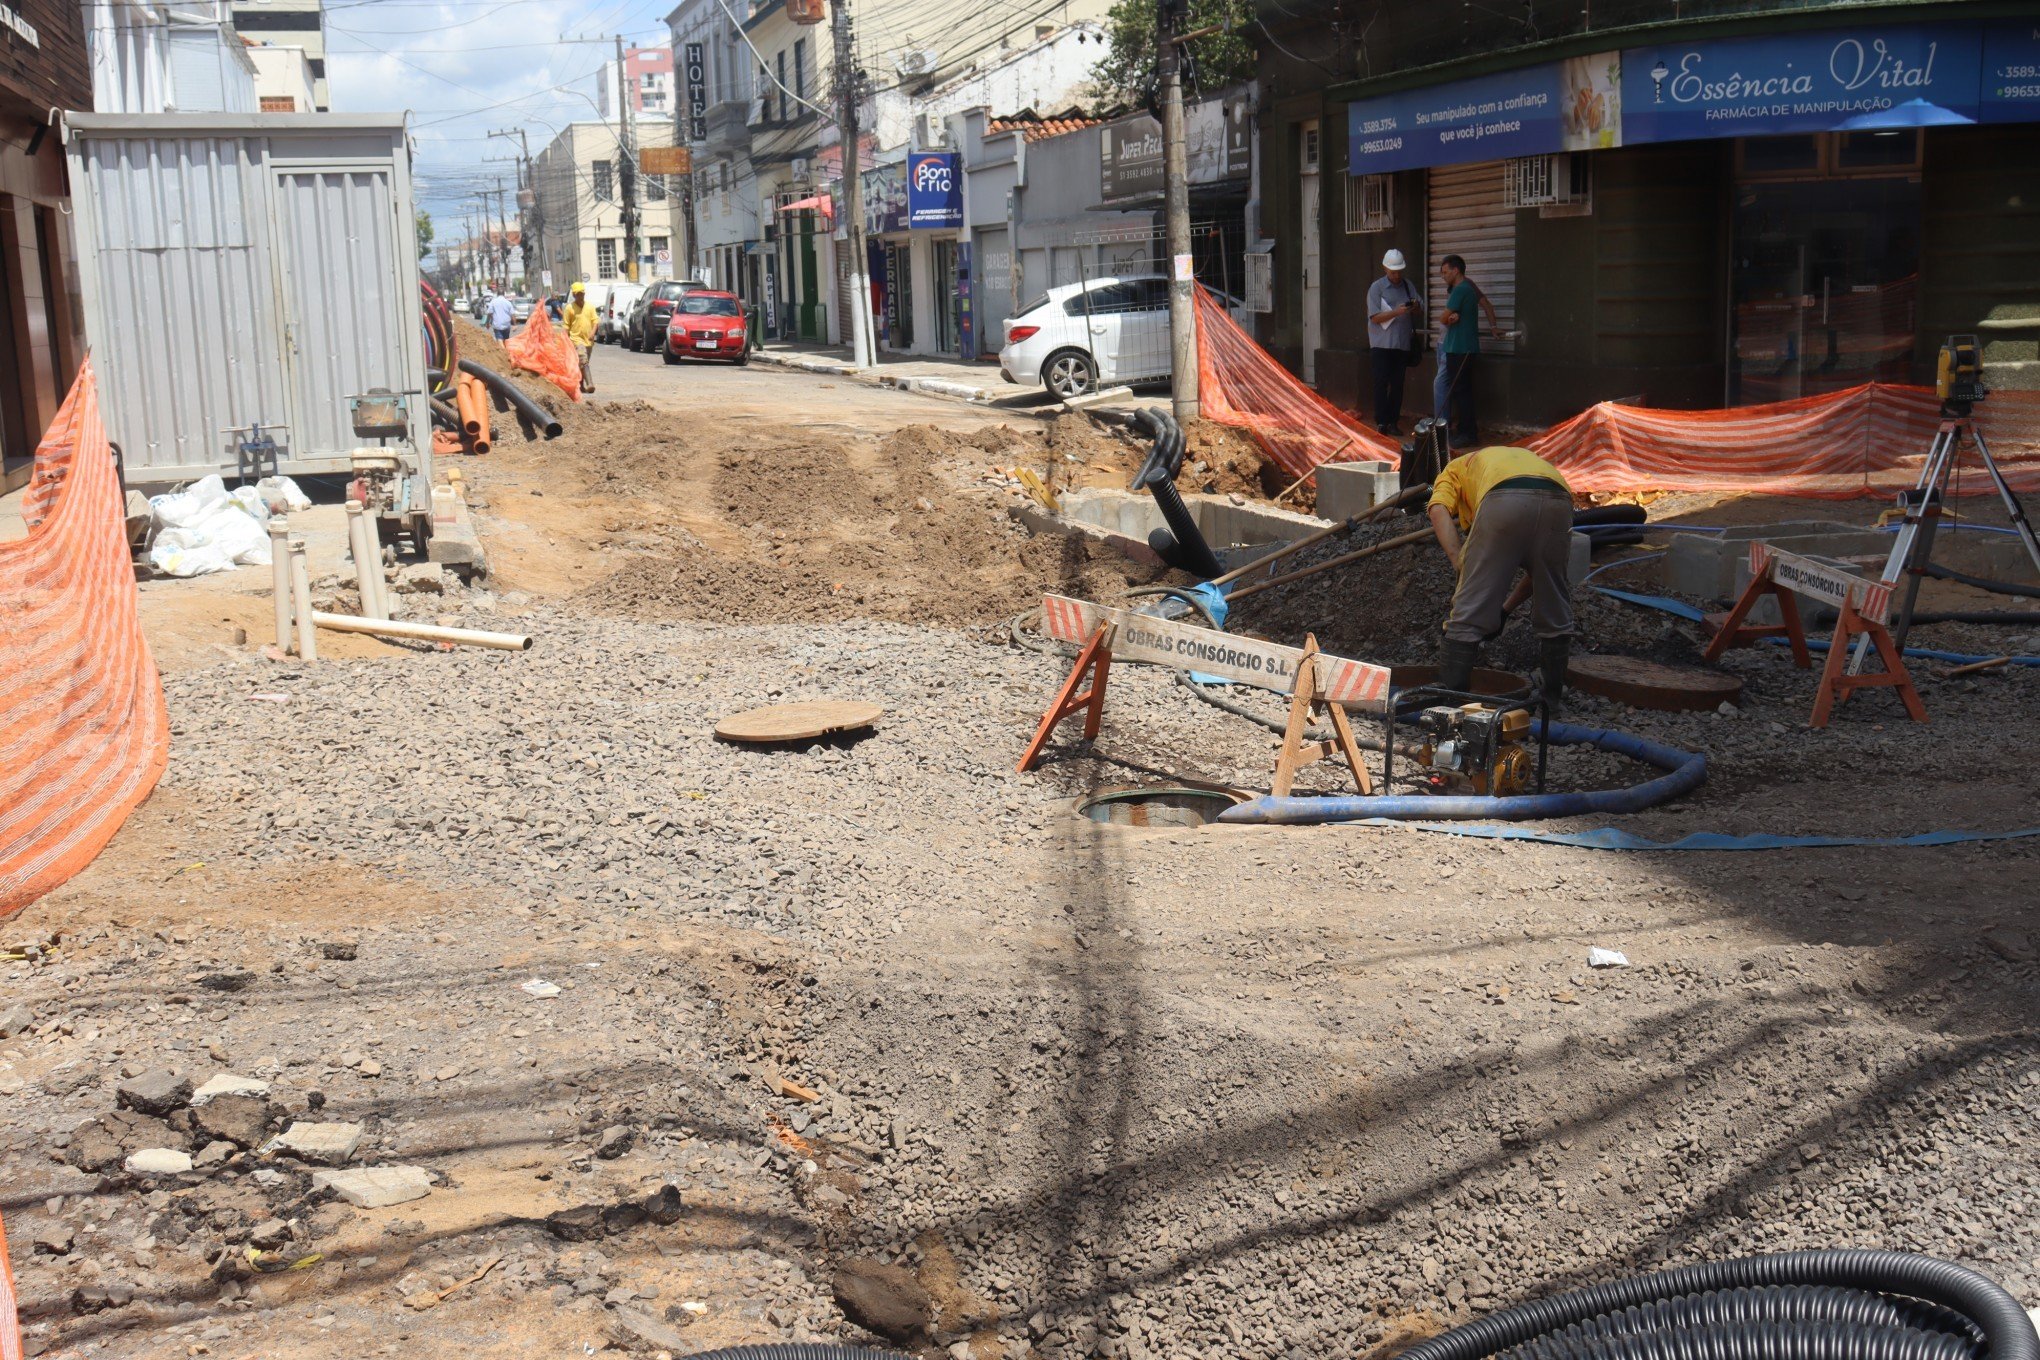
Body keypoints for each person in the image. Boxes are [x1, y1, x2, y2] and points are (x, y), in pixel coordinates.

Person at [1426, 444, 1574, 704]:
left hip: (1502, 498)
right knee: (1555, 606)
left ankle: (1451, 703)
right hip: (1559, 497)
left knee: (1466, 616)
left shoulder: (1452, 470)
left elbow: (1438, 509)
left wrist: (1459, 562)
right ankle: (1552, 698)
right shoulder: (1512, 458)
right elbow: (1538, 576)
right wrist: (1503, 611)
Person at [1435, 255, 1501, 448]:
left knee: (1462, 392)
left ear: (1456, 271)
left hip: (1461, 348)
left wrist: (1449, 317)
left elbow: (1442, 318)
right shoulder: (1466, 289)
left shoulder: (1461, 289)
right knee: (1460, 390)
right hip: (1459, 347)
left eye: (1446, 272)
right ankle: (1463, 429)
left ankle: (1467, 433)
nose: (1443, 276)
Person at [1365, 249, 1421, 435]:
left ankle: (1393, 421)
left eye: (1399, 271)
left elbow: (1420, 307)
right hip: (1381, 344)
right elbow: (1374, 317)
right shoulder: (1376, 288)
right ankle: (1381, 421)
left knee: (1398, 384)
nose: (1396, 276)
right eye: (1393, 272)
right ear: (1385, 268)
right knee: (1381, 383)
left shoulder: (1407, 285)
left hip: (1402, 343)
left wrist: (1414, 306)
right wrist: (1396, 312)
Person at [562, 280, 598, 394]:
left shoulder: (590, 307)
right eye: (578, 294)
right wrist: (565, 340)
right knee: (583, 359)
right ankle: (590, 384)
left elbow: (595, 321)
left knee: (582, 363)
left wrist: (593, 333)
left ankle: (580, 386)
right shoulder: (569, 308)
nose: (580, 296)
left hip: (588, 340)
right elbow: (566, 325)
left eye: (582, 293)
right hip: (576, 340)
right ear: (574, 295)